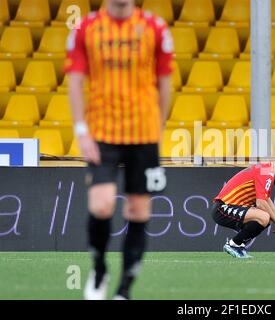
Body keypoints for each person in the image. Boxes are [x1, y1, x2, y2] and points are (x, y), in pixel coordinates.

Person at [65, 0, 173, 299]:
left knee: (138, 211)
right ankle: (99, 268)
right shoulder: (84, 28)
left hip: (143, 135)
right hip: (102, 132)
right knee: (101, 205)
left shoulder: (156, 28)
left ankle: (124, 290)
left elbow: (165, 82)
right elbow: (74, 81)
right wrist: (81, 131)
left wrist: (158, 129)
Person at [212, 160, 275, 258]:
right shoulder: (267, 173)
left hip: (229, 207)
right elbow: (261, 203)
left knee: (267, 217)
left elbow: (266, 199)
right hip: (222, 208)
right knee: (264, 217)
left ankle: (238, 245)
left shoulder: (266, 169)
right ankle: (234, 244)